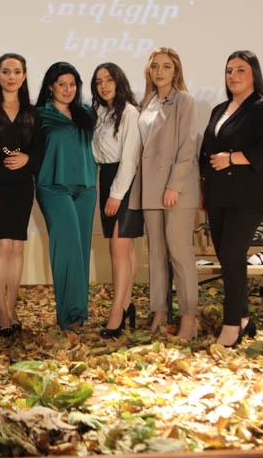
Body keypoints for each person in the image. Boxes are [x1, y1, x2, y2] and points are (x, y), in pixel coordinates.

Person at [199, 50, 263, 347]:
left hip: (246, 196)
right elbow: (206, 152)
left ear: (254, 74)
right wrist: (203, 189)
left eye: (240, 70)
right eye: (229, 70)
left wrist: (232, 158)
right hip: (217, 195)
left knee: (232, 254)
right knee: (228, 258)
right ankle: (245, 318)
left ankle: (231, 325)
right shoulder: (219, 109)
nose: (233, 75)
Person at [130, 47, 200, 341]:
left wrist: (174, 185)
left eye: (166, 66)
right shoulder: (146, 102)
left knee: (179, 252)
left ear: (176, 71)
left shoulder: (184, 101)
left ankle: (189, 317)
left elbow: (188, 146)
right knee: (156, 253)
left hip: (176, 189)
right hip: (150, 187)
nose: (160, 71)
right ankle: (159, 312)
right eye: (155, 66)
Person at [34, 61, 96, 331]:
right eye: (62, 84)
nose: (68, 89)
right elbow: (10, 143)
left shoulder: (87, 113)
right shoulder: (39, 115)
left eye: (72, 84)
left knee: (81, 250)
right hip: (53, 187)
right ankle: (69, 315)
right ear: (51, 86)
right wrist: (11, 155)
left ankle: (79, 314)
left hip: (86, 188)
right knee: (67, 248)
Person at [0, 53, 41, 336]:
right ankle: (0, 310)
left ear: (24, 75)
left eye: (17, 71)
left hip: (21, 185)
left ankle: (12, 307)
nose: (11, 77)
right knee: (2, 244)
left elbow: (40, 149)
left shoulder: (33, 112)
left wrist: (28, 159)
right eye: (6, 71)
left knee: (18, 246)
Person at [90, 62, 143, 338]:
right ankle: (126, 304)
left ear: (119, 81)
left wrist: (116, 194)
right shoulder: (101, 114)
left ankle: (116, 313)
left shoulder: (130, 113)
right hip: (107, 177)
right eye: (99, 81)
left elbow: (131, 158)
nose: (104, 86)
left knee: (119, 247)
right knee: (125, 248)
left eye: (109, 80)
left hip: (125, 182)